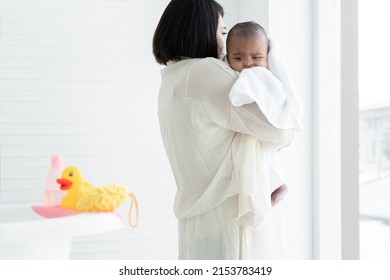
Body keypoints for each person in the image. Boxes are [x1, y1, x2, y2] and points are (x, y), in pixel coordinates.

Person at [153, 0, 300, 260]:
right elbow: (279, 128)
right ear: (201, 29)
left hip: (199, 223)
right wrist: (272, 54)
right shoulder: (203, 73)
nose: (224, 44)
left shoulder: (172, 78)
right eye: (222, 32)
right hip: (228, 221)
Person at [225, 21, 288, 206]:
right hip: (247, 131)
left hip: (265, 128)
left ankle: (277, 183)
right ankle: (272, 185)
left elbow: (277, 98)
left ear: (267, 58)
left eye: (256, 57)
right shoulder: (227, 77)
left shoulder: (266, 78)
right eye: (238, 58)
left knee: (261, 153)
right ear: (227, 58)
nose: (248, 64)